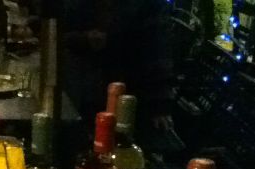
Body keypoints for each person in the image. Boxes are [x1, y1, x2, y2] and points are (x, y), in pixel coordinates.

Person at [62, 0, 174, 145]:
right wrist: (83, 38)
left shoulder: (146, 6)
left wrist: (160, 104)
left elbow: (158, 52)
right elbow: (60, 31)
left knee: (120, 142)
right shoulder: (79, 5)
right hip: (80, 88)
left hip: (128, 90)